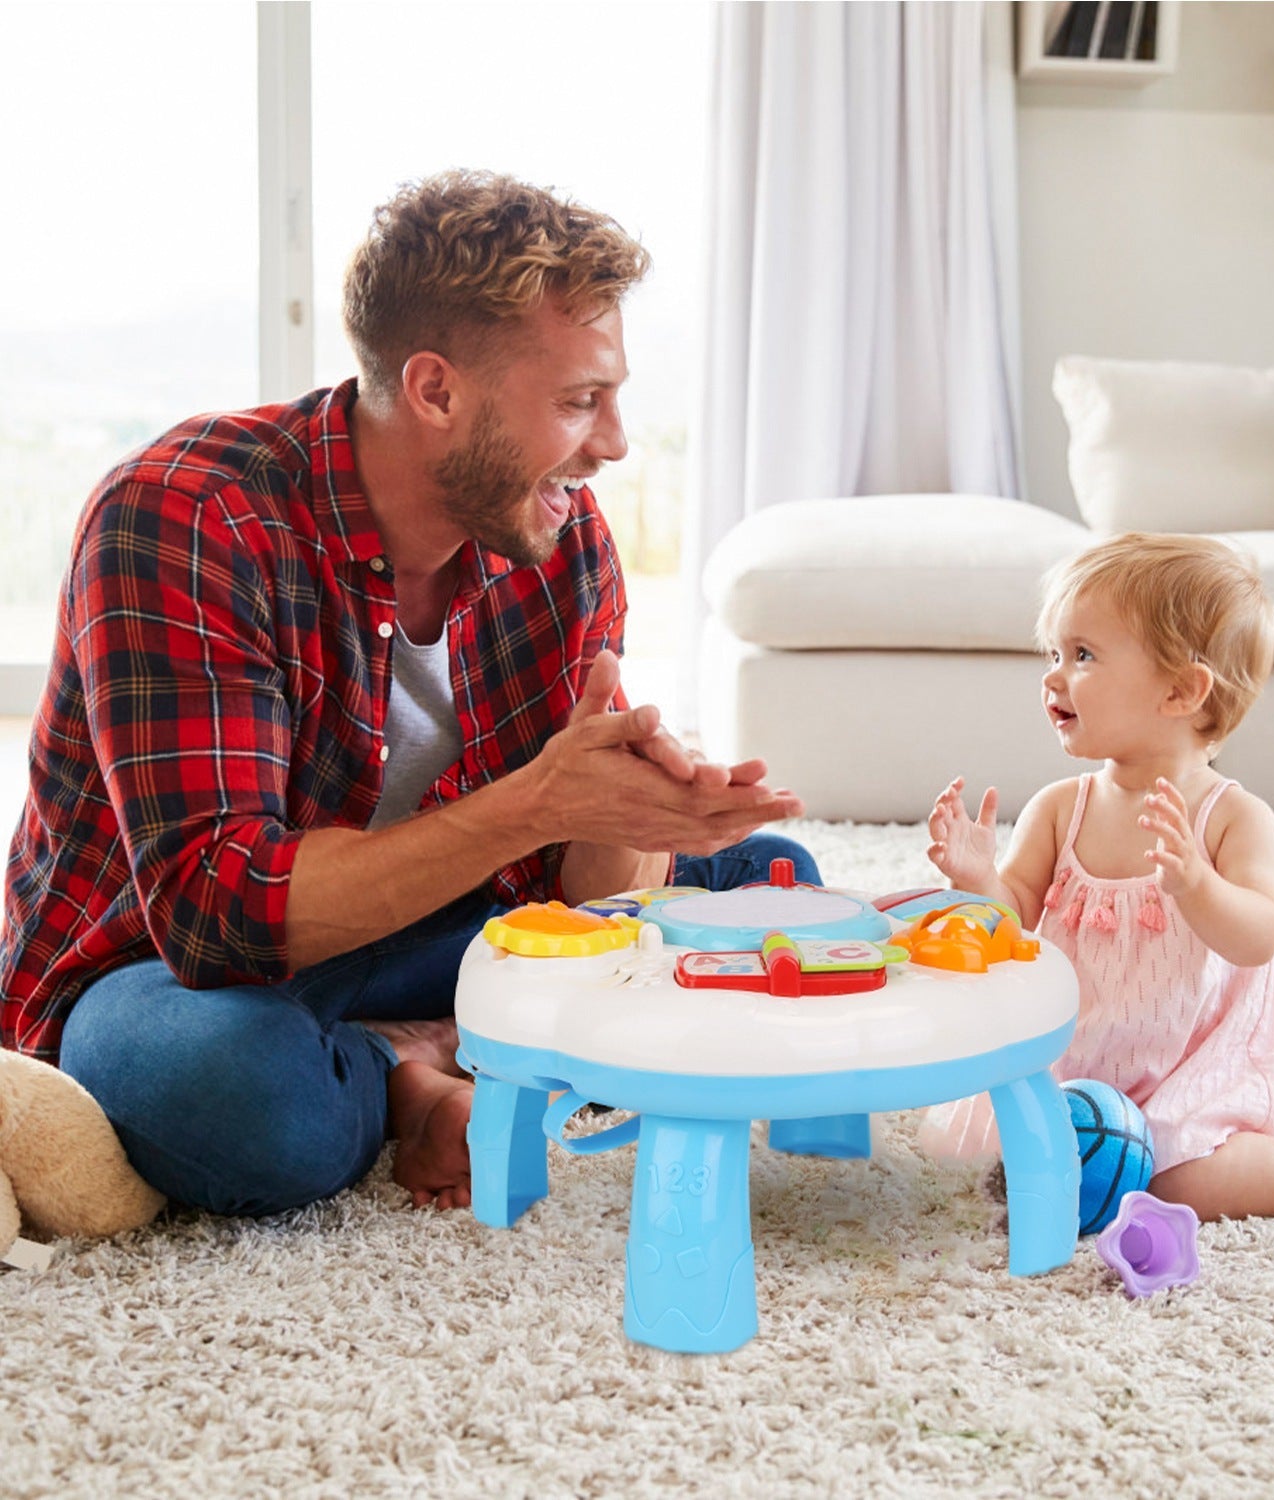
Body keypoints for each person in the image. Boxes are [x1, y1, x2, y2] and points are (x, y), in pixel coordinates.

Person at [0, 169, 819, 1219]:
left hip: (450, 925)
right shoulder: (186, 516)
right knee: (229, 1092)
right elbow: (216, 917)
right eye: (579, 402)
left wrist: (626, 809)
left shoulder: (557, 534)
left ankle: (435, 1048)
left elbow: (582, 898)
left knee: (776, 885)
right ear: (436, 392)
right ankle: (417, 1071)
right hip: (189, 974)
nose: (614, 443)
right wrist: (540, 804)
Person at [921, 533, 1274, 1245]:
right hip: (1076, 1057)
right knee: (975, 1151)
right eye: (1055, 653)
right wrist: (977, 880)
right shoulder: (1060, 808)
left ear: (1182, 691)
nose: (1055, 676)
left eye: (1084, 655)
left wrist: (1195, 884)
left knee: (1173, 1176)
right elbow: (1012, 923)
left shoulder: (1233, 819)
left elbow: (1260, 935)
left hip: (1185, 1065)